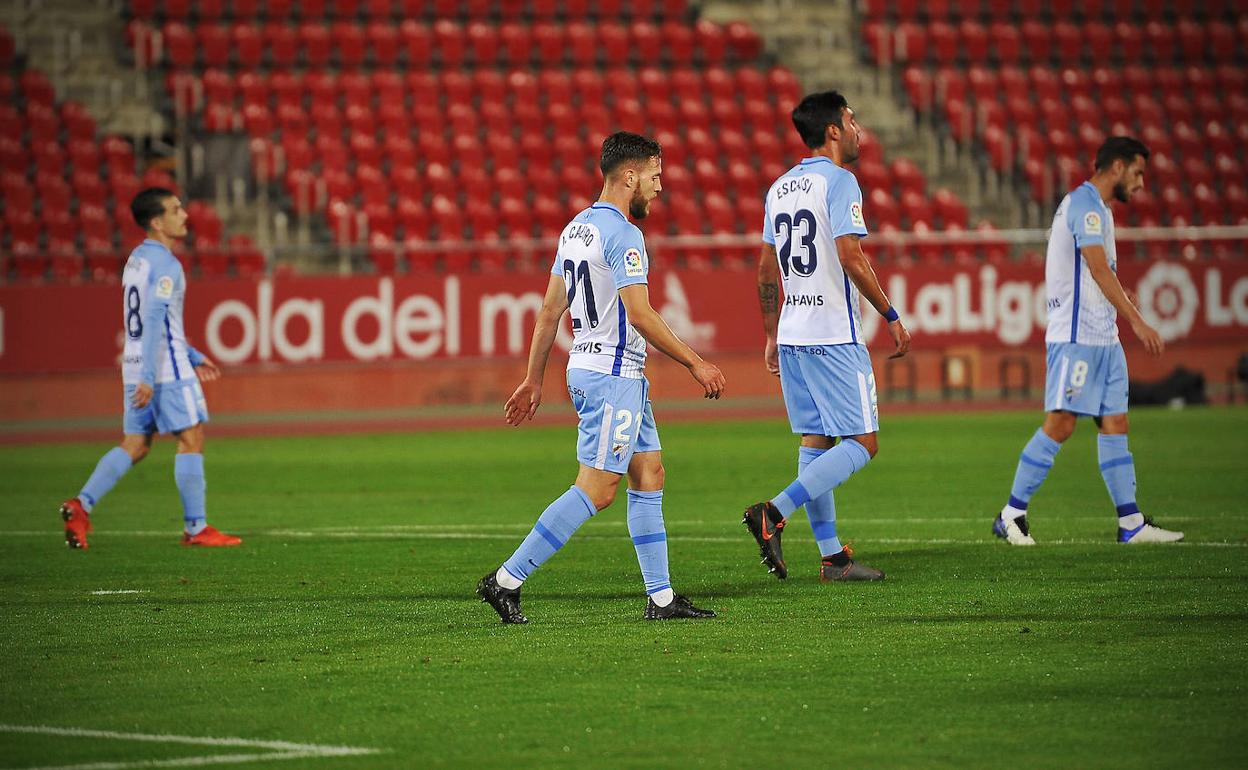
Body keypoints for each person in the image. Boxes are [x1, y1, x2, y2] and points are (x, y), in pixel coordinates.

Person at [476, 131, 725, 623]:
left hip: (604, 372)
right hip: (613, 378)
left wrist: (533, 380)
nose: (659, 187)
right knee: (597, 488)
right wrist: (696, 362)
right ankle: (505, 580)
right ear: (628, 175)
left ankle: (661, 598)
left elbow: (549, 312)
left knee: (649, 473)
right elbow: (640, 313)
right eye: (654, 176)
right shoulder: (624, 234)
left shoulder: (575, 230)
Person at [744, 91, 910, 582]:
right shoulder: (840, 181)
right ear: (834, 130)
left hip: (794, 334)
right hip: (833, 334)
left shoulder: (779, 189)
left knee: (816, 441)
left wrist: (772, 333)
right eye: (852, 120)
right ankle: (773, 513)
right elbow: (850, 254)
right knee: (863, 443)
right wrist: (890, 313)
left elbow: (764, 271)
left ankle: (833, 558)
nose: (858, 129)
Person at [993, 137, 1182, 545]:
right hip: (1076, 337)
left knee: (1116, 424)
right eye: (1137, 172)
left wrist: (1122, 296)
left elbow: (1097, 272)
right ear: (1116, 167)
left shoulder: (1099, 209)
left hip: (1104, 337)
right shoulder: (1084, 205)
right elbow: (1096, 268)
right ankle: (1011, 514)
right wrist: (1139, 321)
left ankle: (1130, 524)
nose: (1141, 183)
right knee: (1061, 424)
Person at [59, 188, 241, 549]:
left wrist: (189, 354)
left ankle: (81, 505)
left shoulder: (137, 259)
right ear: (157, 222)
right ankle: (196, 528)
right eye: (176, 210)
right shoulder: (168, 265)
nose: (185, 215)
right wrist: (154, 375)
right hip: (163, 369)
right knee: (191, 439)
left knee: (136, 444)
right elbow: (155, 316)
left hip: (135, 361)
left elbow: (143, 318)